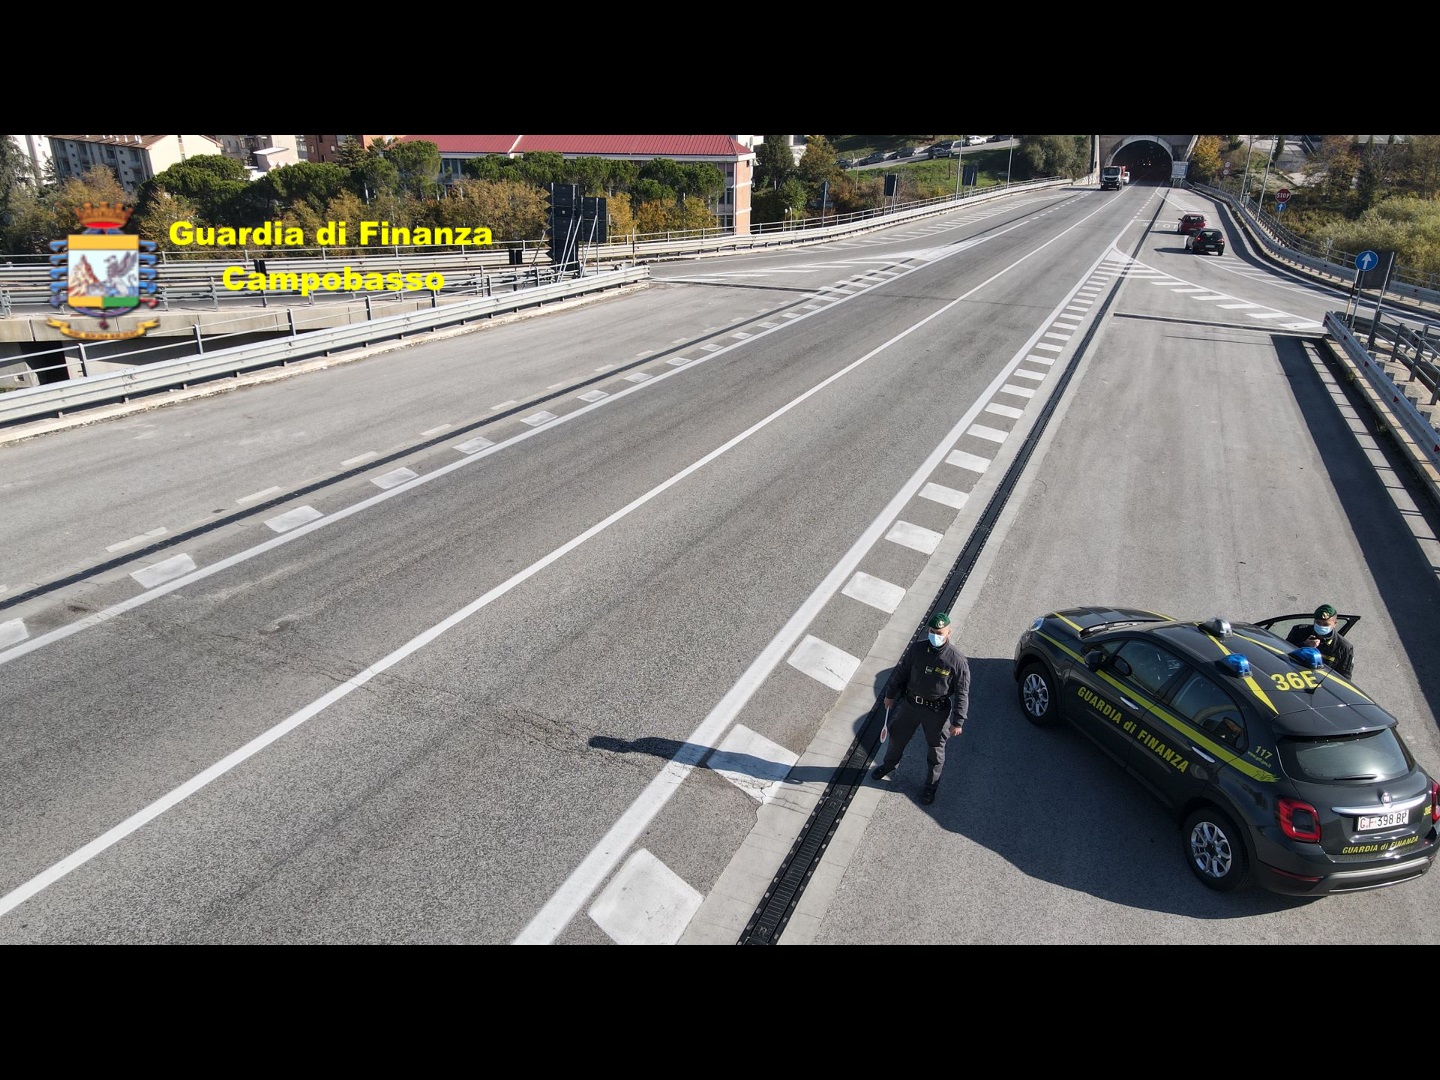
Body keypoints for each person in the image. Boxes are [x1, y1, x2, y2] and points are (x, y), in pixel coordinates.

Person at [872, 611, 971, 805]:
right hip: (910, 705)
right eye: (932, 632)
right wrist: (890, 695)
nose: (935, 636)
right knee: (897, 737)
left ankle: (930, 787)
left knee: (935, 750)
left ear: (949, 632)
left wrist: (958, 721)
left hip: (936, 712)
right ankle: (888, 765)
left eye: (939, 633)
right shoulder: (917, 650)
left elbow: (962, 692)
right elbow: (901, 672)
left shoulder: (957, 660)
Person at [1286, 603, 1355, 679]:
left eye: (1326, 624)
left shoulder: (1344, 647)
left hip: (1318, 682)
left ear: (1335, 623)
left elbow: (1344, 677)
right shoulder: (1299, 631)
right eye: (1318, 622)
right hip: (1291, 673)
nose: (1321, 626)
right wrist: (1304, 645)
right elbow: (1283, 651)